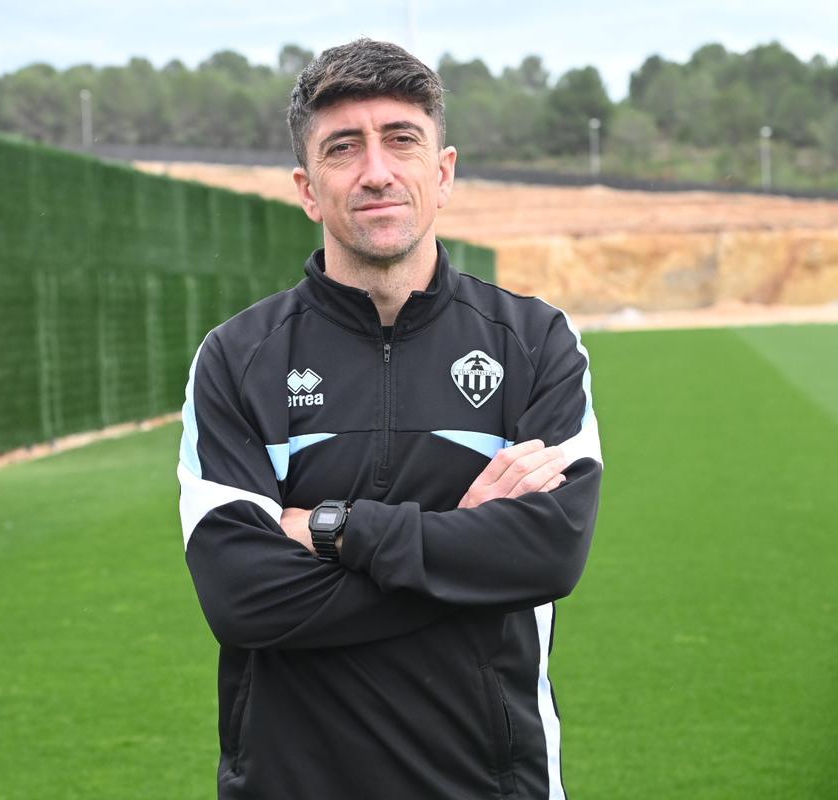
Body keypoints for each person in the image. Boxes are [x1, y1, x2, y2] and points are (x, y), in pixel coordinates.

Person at [177, 38, 602, 800]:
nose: (376, 171)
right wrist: (462, 554)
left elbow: (547, 554)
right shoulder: (236, 358)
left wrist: (335, 530)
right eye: (344, 149)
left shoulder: (536, 342)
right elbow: (242, 595)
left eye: (401, 140)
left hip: (487, 782)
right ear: (309, 189)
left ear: (442, 173)